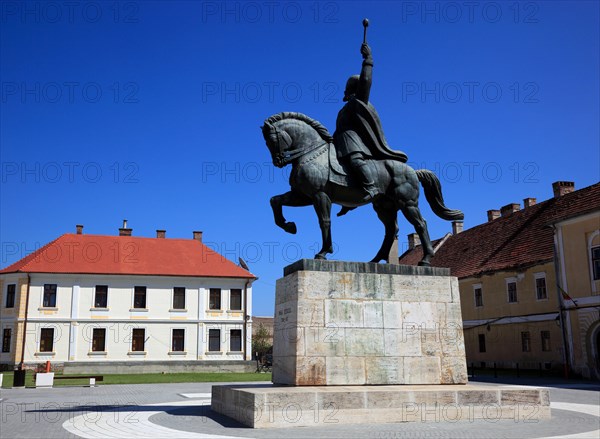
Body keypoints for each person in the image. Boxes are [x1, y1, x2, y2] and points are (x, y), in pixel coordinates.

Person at [334, 43, 408, 205]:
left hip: (353, 145)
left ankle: (371, 186)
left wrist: (368, 59)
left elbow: (366, 80)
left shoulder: (358, 101)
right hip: (340, 144)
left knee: (355, 161)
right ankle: (347, 200)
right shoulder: (344, 110)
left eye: (347, 90)